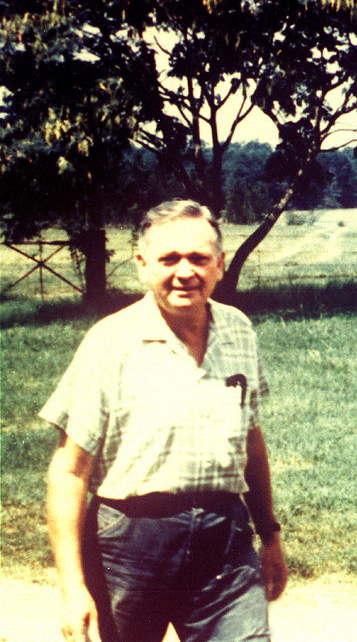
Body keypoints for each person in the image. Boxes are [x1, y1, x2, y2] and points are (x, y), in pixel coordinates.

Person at [43, 199, 288, 642]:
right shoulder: (110, 342)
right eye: (169, 258)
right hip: (131, 544)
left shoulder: (238, 330)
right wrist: (72, 587)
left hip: (225, 540)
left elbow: (250, 441)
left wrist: (269, 534)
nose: (185, 272)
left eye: (198, 258)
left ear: (219, 264)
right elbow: (68, 471)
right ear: (142, 265)